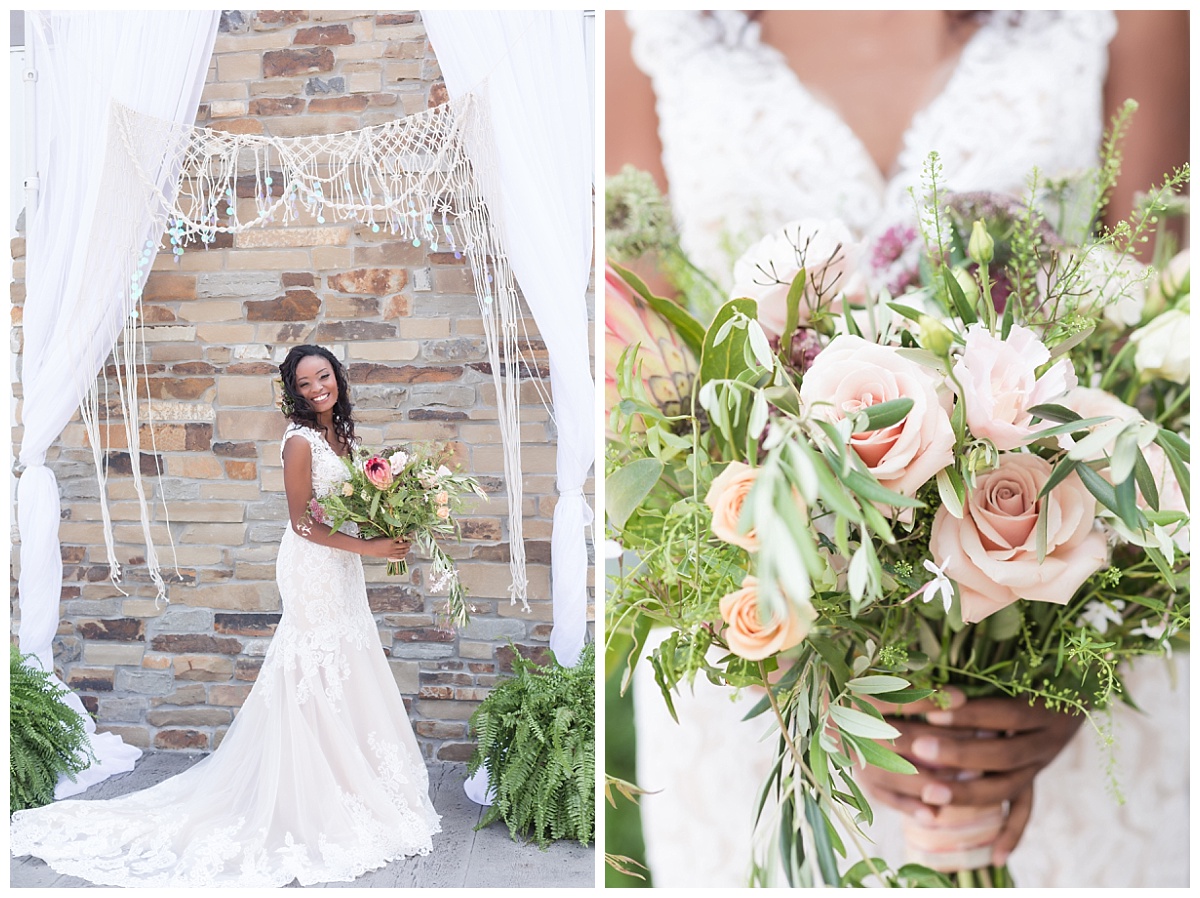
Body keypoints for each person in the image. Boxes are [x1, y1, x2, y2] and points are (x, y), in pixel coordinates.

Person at [607, 10, 1188, 888]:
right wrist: (805, 686)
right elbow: (639, 372)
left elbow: (1165, 337)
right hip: (776, 679)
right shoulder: (651, 24)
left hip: (1070, 644)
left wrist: (1076, 679)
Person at [10, 344, 441, 887]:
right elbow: (303, 524)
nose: (316, 389)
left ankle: (351, 784)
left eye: (323, 377)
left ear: (338, 378)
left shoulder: (343, 435)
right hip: (313, 566)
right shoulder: (299, 442)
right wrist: (373, 550)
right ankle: (312, 797)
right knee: (315, 665)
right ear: (293, 390)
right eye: (304, 383)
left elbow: (344, 506)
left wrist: (380, 531)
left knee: (349, 660)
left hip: (342, 566)